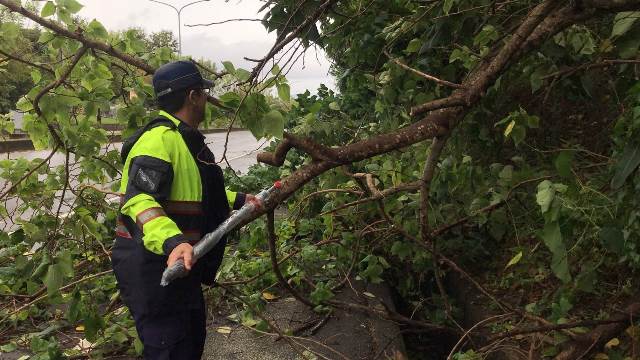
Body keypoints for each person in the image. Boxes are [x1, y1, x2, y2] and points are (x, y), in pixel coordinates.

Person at [111, 60, 259, 359]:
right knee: (171, 349)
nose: (206, 98)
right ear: (193, 96)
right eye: (203, 92)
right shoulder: (158, 141)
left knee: (190, 344)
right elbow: (139, 200)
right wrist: (173, 241)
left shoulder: (181, 139)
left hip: (182, 266)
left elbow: (197, 191)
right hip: (156, 268)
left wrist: (241, 200)